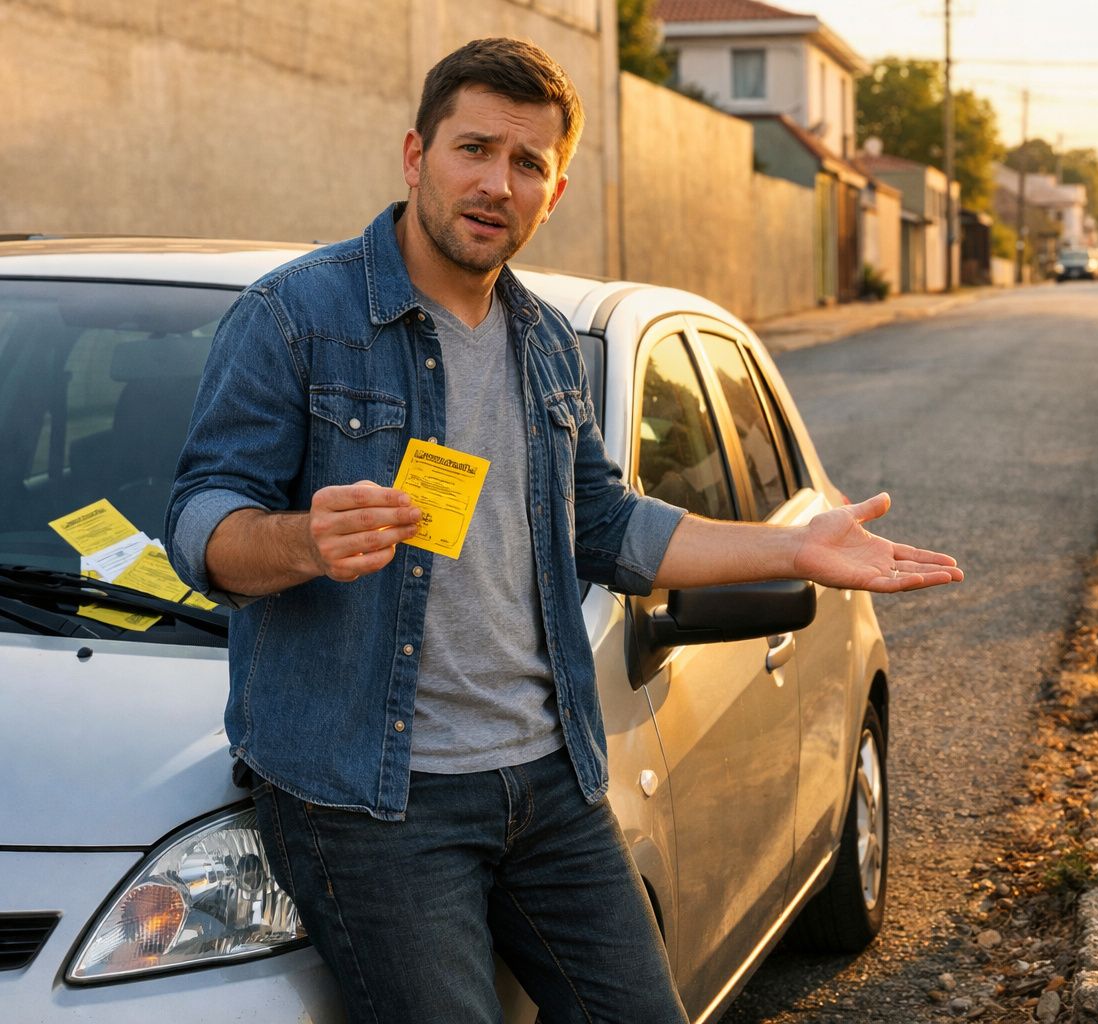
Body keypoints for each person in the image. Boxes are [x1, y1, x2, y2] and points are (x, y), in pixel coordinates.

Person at [167, 36, 961, 1024]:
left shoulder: (545, 344)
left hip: (550, 781)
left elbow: (610, 525)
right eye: (474, 149)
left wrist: (791, 547)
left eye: (528, 163)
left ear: (557, 188)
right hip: (373, 801)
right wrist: (299, 542)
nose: (497, 182)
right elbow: (200, 523)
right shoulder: (297, 317)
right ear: (416, 157)